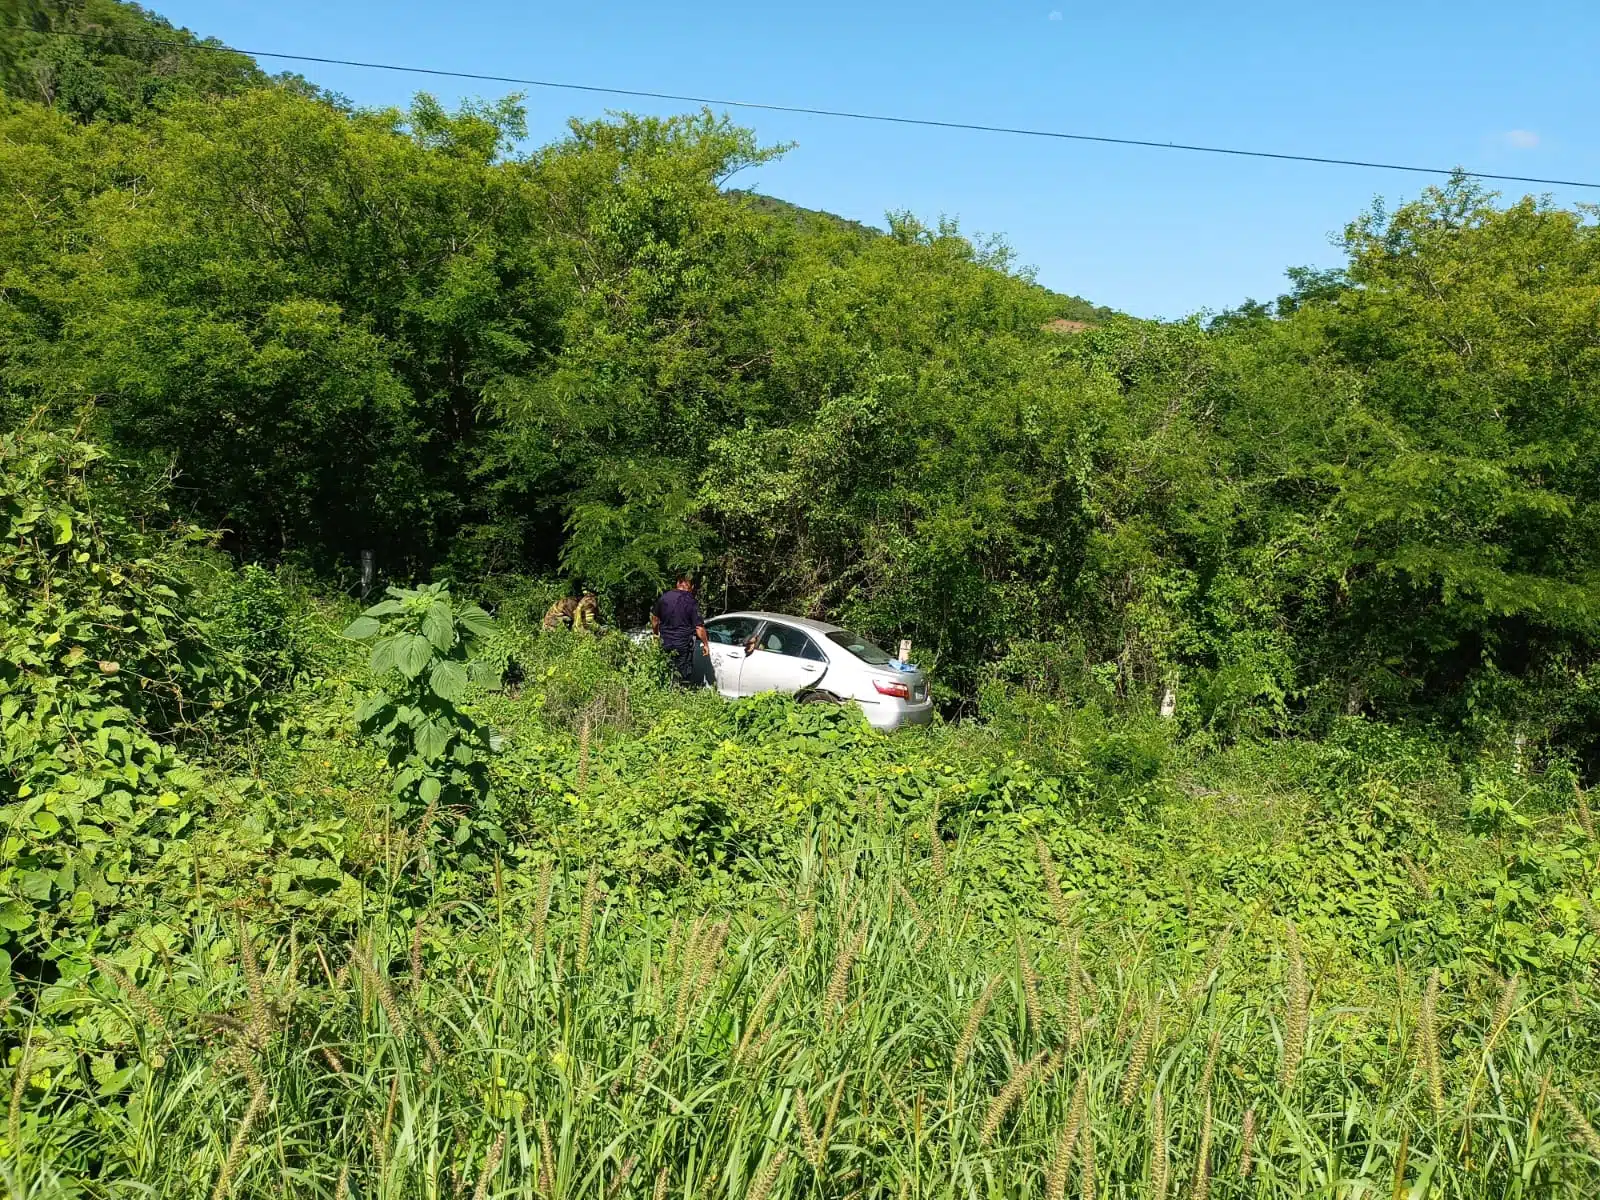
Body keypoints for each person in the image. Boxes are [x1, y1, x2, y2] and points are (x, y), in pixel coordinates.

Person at [651, 571, 710, 685]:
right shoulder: (691, 601)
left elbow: (654, 619)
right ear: (691, 587)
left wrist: (655, 634)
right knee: (681, 673)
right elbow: (699, 627)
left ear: (677, 584)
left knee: (665, 669)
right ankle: (678, 693)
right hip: (682, 644)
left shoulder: (664, 597)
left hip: (665, 641)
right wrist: (705, 644)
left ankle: (663, 691)